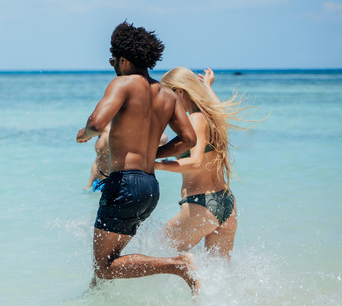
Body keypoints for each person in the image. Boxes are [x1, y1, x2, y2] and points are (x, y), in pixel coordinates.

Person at [77, 22, 199, 292]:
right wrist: (154, 154)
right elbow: (189, 140)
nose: (114, 67)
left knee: (104, 267)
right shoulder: (168, 95)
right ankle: (93, 303)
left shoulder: (123, 84)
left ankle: (178, 265)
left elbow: (97, 123)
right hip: (150, 186)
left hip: (123, 184)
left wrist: (85, 133)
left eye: (114, 61)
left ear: (124, 59)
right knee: (107, 263)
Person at [156, 68, 253, 257]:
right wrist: (207, 86)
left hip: (202, 204)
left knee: (158, 253)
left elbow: (195, 163)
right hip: (227, 204)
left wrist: (156, 165)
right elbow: (218, 107)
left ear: (180, 92)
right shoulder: (213, 116)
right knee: (220, 274)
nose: (165, 102)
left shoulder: (195, 119)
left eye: (167, 94)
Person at [86, 122, 168, 192]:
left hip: (110, 181)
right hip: (101, 182)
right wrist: (89, 184)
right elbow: (98, 161)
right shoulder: (111, 133)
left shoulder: (110, 134)